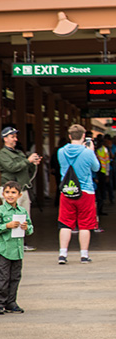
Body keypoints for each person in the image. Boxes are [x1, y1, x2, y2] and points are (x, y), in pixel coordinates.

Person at [57, 124, 101, 264]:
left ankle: (62, 254)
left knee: (65, 224)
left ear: (70, 136)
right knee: (85, 225)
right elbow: (96, 168)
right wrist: (91, 151)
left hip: (67, 191)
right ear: (83, 136)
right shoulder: (87, 153)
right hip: (86, 192)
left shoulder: (61, 152)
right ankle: (84, 255)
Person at [0, 127, 41, 251]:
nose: (15, 139)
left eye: (15, 137)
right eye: (12, 137)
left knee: (23, 216)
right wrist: (28, 161)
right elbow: (12, 167)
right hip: (10, 191)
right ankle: (8, 244)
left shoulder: (19, 153)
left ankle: (21, 243)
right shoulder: (2, 154)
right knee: (10, 217)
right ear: (5, 139)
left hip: (22, 189)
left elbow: (26, 168)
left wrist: (33, 163)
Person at [0, 180, 33, 314]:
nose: (10, 195)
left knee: (15, 277)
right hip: (4, 250)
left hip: (17, 250)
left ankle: (11, 302)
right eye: (7, 192)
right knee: (3, 277)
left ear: (19, 195)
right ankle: (1, 302)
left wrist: (26, 228)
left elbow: (30, 228)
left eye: (13, 192)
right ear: (3, 194)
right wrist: (6, 226)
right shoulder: (1, 211)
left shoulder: (22, 211)